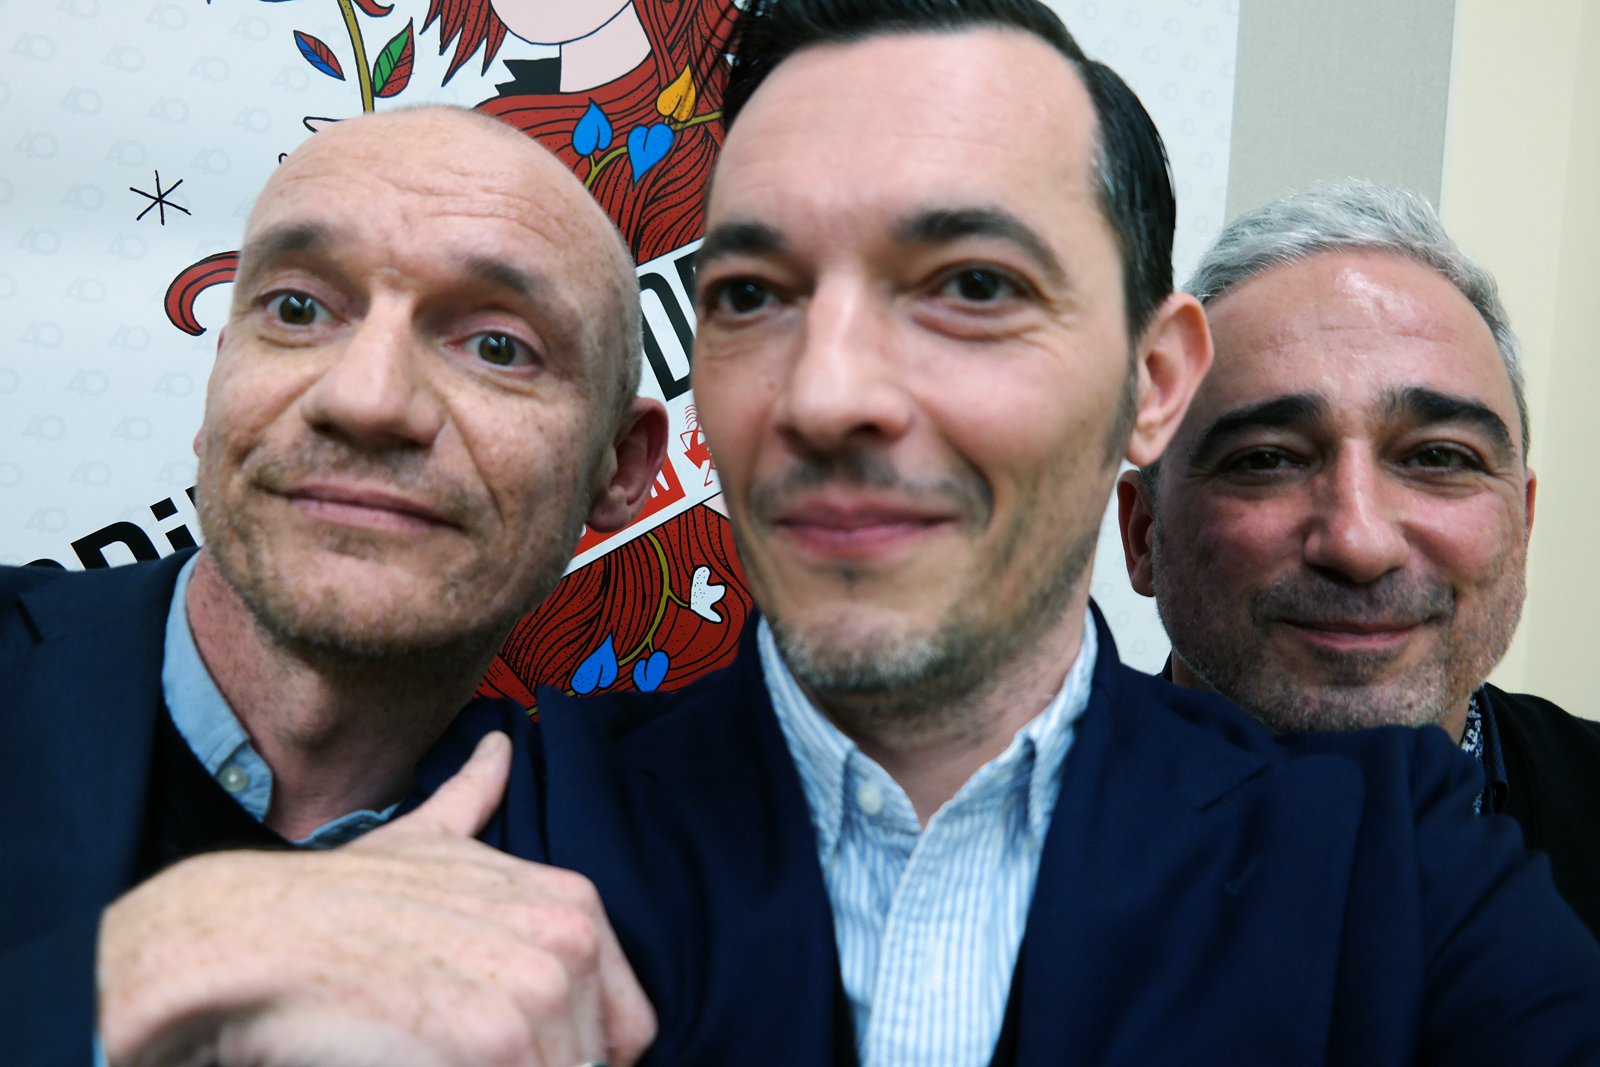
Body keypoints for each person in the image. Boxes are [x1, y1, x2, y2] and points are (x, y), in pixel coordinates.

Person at [75, 4, 1600, 1066]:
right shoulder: (496, 827)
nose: (831, 393)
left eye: (972, 286)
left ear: (1152, 384)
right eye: (753, 295)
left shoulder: (1394, 856)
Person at [0, 106, 668, 1067]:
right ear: (220, 381)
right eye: (297, 309)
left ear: (619, 466)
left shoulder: (680, 878)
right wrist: (143, 971)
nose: (364, 399)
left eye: (497, 345)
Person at [1116, 181, 1600, 937]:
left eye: (1439, 457)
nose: (1358, 542)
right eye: (1267, 459)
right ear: (1144, 533)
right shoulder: (997, 855)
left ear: (1523, 526)